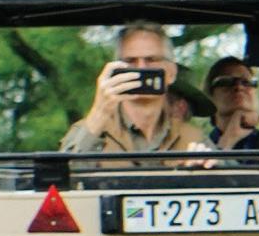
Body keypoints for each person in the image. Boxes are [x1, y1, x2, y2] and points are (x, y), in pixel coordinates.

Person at [59, 23, 211, 155]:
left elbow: (222, 172)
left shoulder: (193, 138)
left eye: (151, 60)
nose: (141, 69)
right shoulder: (91, 130)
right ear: (116, 69)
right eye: (130, 61)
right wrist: (99, 112)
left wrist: (203, 167)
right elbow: (62, 174)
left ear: (171, 73)